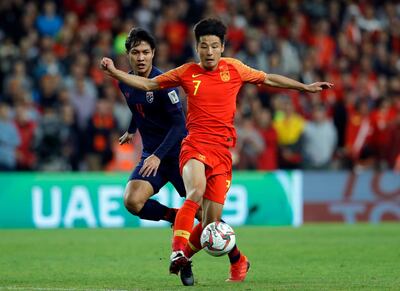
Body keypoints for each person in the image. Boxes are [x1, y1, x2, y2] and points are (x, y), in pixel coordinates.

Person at [101, 18, 333, 286]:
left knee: (211, 226)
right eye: (203, 46)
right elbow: (144, 93)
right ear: (197, 47)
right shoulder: (186, 72)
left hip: (216, 152)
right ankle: (178, 248)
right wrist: (116, 77)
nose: (209, 51)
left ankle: (227, 258)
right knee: (192, 192)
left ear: (222, 47)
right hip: (192, 147)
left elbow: (268, 78)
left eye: (214, 46)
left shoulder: (234, 69)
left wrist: (304, 87)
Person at [116, 28, 188, 239]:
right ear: (128, 55)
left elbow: (180, 125)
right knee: (132, 200)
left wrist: (158, 155)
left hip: (177, 155)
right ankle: (175, 217)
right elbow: (136, 107)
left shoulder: (164, 84)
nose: (141, 57)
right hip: (152, 156)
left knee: (204, 212)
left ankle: (235, 254)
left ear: (153, 53)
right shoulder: (126, 82)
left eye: (145, 52)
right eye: (136, 52)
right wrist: (131, 130)